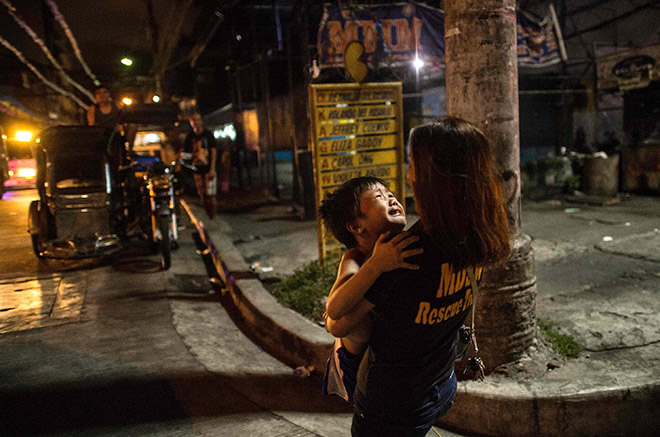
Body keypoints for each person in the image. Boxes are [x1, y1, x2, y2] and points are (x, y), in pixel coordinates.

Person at [325, 117, 511, 437]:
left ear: (429, 177)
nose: (407, 174)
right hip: (441, 385)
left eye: (412, 163)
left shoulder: (402, 255)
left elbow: (337, 322)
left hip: (393, 406)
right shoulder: (475, 233)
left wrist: (357, 268)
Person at [318, 177, 422, 404]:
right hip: (357, 364)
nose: (392, 198)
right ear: (356, 226)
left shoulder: (407, 245)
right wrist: (376, 264)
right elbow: (335, 310)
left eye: (390, 193)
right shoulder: (355, 258)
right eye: (379, 197)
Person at [182, 112, 217, 219]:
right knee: (202, 194)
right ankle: (208, 215)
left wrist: (212, 169)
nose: (196, 122)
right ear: (191, 122)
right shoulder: (190, 137)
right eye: (194, 120)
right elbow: (186, 152)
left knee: (210, 194)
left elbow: (213, 152)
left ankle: (213, 216)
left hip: (208, 168)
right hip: (196, 169)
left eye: (198, 119)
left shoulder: (208, 135)